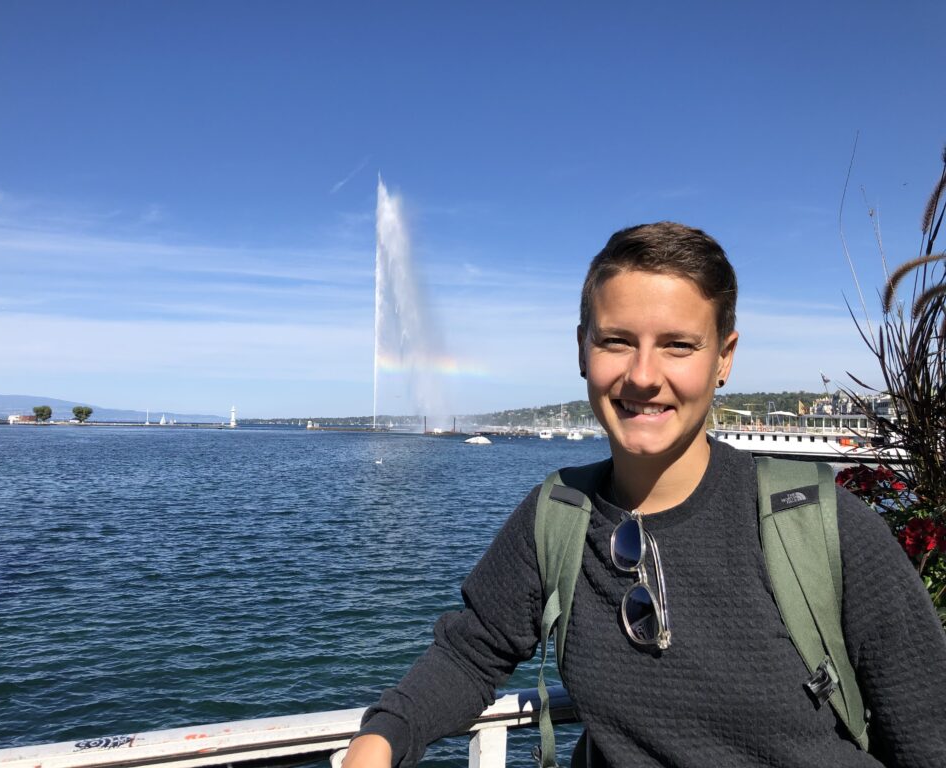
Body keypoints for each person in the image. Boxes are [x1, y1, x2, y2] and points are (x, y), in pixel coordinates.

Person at [343, 222, 946, 768]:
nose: (642, 375)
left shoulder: (821, 526)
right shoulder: (559, 514)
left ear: (724, 358)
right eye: (616, 341)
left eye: (678, 345)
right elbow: (471, 653)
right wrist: (381, 739)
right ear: (582, 350)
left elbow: (928, 736)